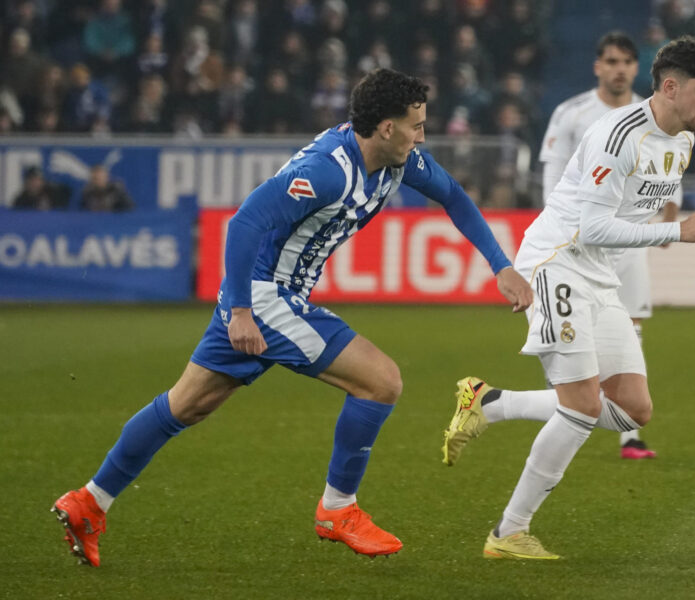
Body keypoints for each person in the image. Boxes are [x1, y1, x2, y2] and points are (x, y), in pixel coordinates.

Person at [52, 68, 533, 567]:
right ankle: (337, 509)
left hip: (269, 297)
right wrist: (241, 310)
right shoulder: (329, 170)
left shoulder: (396, 162)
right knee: (382, 381)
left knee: (186, 405)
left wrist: (501, 266)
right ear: (386, 128)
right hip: (264, 298)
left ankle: (89, 502)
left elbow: (453, 196)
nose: (422, 137)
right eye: (416, 126)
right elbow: (245, 222)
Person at [442, 36, 695, 559]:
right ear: (669, 87)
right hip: (556, 263)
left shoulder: (682, 141)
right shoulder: (618, 136)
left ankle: (489, 403)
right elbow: (593, 226)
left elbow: (637, 216)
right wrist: (674, 233)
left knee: (632, 409)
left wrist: (675, 226)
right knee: (579, 408)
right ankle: (508, 534)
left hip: (599, 273)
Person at [537, 31, 674, 460]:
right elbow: (554, 175)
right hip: (579, 243)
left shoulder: (652, 114)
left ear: (637, 69)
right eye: (611, 61)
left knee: (631, 325)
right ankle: (568, 404)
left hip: (628, 243)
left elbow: (664, 171)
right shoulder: (572, 112)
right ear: (598, 65)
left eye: (627, 62)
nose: (619, 69)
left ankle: (628, 436)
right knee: (576, 328)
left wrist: (670, 213)